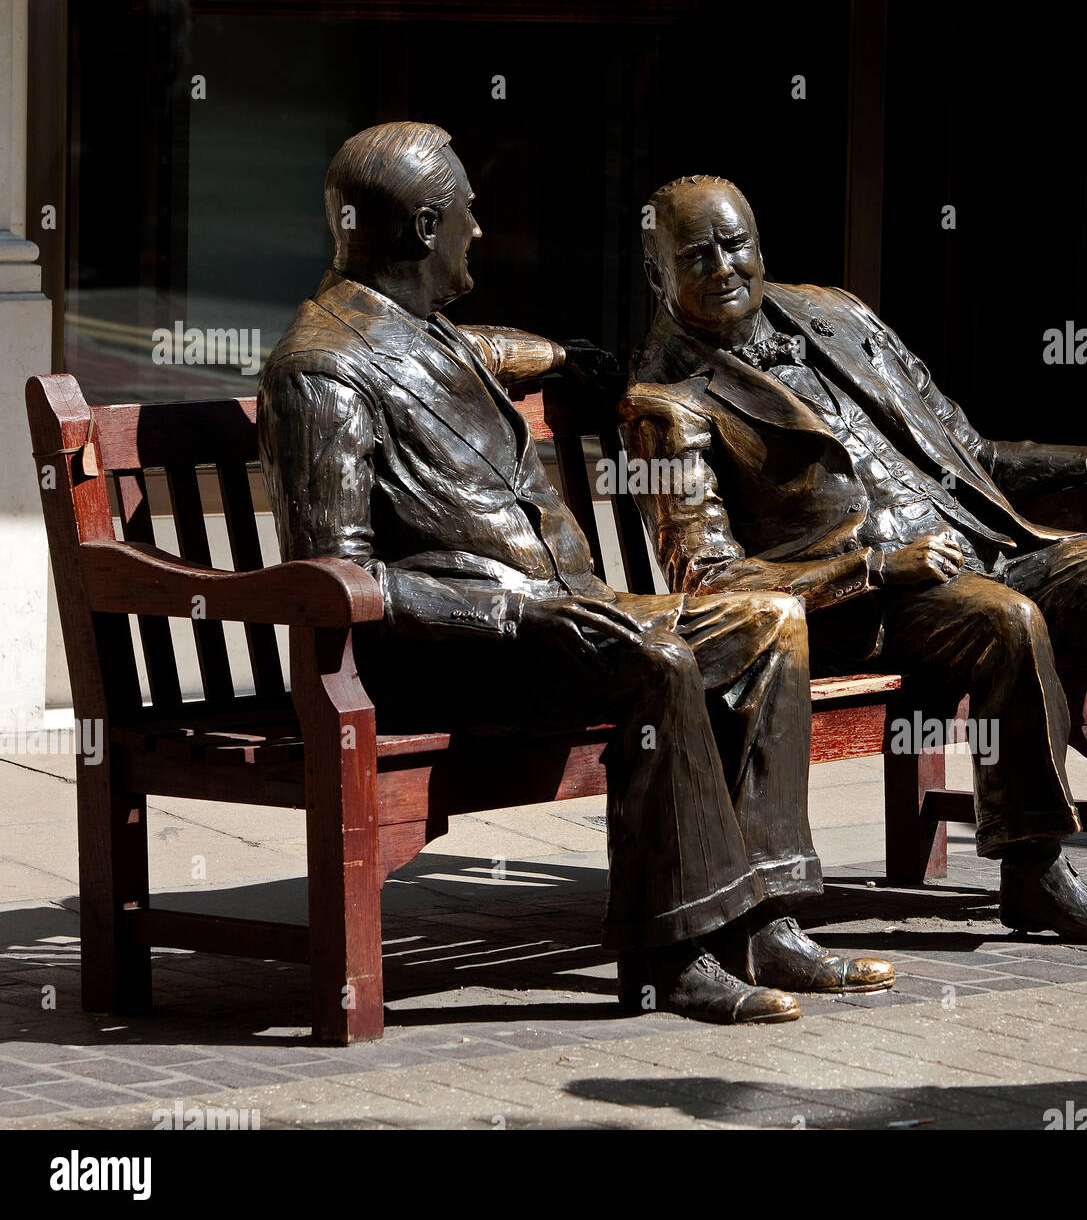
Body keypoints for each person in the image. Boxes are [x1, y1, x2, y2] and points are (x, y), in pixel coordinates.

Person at [258, 125, 895, 1026]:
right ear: (423, 230)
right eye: (468, 216)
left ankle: (768, 922)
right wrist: (517, 617)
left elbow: (492, 350)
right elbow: (339, 581)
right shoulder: (320, 369)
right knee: (662, 659)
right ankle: (670, 955)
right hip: (445, 661)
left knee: (767, 619)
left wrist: (563, 357)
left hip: (558, 623)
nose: (480, 231)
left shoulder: (420, 331)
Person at [620, 173, 1087, 944]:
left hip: (986, 546)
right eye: (696, 254)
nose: (722, 267)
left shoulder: (839, 314)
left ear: (760, 243)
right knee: (1006, 621)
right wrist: (877, 569)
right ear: (657, 276)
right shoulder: (664, 402)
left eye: (735, 244)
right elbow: (708, 580)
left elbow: (969, 453)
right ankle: (1034, 866)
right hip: (864, 608)